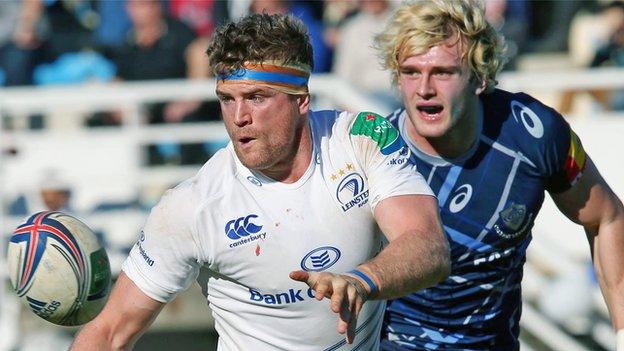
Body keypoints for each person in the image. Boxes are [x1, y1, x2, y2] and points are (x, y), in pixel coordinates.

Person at [71, 13, 451, 350]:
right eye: (226, 99)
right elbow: (110, 332)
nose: (238, 117)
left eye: (256, 97)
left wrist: (363, 280)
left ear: (301, 99)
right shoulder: (191, 206)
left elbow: (428, 245)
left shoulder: (360, 140)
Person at [374, 0, 624, 350]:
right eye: (411, 72)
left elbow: (607, 218)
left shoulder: (533, 134)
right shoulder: (371, 154)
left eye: (443, 72)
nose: (424, 89)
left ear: (481, 77)